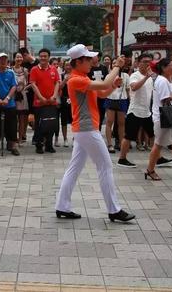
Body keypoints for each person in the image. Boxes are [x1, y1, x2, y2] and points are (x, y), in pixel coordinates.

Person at [54, 45, 135, 223]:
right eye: (88, 59)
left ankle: (62, 206)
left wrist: (113, 85)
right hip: (87, 129)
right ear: (79, 61)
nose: (92, 62)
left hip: (84, 129)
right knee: (105, 167)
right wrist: (116, 67)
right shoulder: (75, 79)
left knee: (74, 168)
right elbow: (104, 84)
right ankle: (114, 210)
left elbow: (102, 92)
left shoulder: (82, 77)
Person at [117, 53, 154, 168]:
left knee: (153, 135)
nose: (147, 64)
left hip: (146, 111)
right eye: (145, 61)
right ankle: (122, 159)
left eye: (149, 61)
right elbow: (134, 87)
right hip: (135, 111)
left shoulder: (151, 77)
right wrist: (146, 77)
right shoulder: (135, 75)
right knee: (129, 136)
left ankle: (157, 157)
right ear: (138, 63)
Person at [30, 48, 60, 154]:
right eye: (41, 56)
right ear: (39, 57)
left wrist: (54, 95)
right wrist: (41, 97)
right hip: (39, 103)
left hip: (51, 102)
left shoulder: (53, 69)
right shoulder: (34, 69)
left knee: (51, 124)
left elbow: (57, 82)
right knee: (39, 125)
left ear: (48, 57)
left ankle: (49, 145)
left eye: (45, 56)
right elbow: (33, 84)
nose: (43, 58)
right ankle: (39, 145)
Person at [0, 53, 19, 155]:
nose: (3, 61)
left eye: (5, 59)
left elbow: (14, 86)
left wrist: (7, 98)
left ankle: (14, 146)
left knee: (12, 125)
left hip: (9, 103)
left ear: (7, 61)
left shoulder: (11, 73)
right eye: (1, 59)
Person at [104, 59, 129, 153]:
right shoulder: (109, 75)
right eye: (113, 63)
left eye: (117, 63)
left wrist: (129, 100)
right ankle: (110, 144)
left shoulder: (125, 75)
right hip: (110, 99)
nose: (116, 64)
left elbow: (127, 89)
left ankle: (121, 143)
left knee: (121, 123)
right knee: (109, 122)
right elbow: (106, 87)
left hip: (122, 100)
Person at [11, 53, 29, 144]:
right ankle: (13, 138)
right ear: (14, 58)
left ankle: (21, 138)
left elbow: (28, 83)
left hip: (22, 96)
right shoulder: (10, 70)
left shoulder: (25, 70)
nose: (19, 59)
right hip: (12, 96)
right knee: (13, 119)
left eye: (20, 57)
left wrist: (23, 89)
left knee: (22, 118)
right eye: (17, 57)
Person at [90, 55, 109, 127]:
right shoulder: (89, 68)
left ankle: (99, 129)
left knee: (101, 113)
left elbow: (107, 79)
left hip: (102, 94)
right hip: (92, 95)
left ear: (98, 57)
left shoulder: (104, 68)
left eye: (94, 56)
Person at [58, 62, 73, 147]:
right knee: (64, 120)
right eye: (66, 65)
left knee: (74, 120)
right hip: (64, 98)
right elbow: (59, 87)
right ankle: (65, 138)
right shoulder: (62, 75)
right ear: (64, 66)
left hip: (74, 99)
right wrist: (65, 80)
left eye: (70, 65)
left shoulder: (75, 75)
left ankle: (75, 139)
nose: (68, 67)